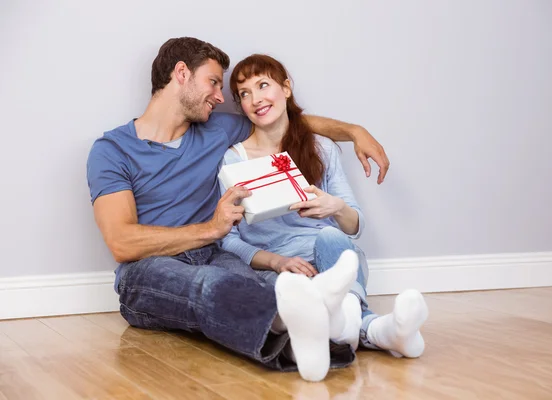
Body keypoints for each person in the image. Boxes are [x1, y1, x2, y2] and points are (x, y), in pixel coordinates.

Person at [86, 37, 390, 382]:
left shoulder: (217, 128)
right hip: (150, 268)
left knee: (264, 284)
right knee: (209, 283)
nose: (220, 96)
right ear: (182, 73)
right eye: (214, 82)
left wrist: (354, 132)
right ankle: (308, 330)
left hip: (218, 256)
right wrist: (210, 229)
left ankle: (326, 331)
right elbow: (122, 242)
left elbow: (283, 118)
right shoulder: (112, 150)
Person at [221, 54, 429, 365]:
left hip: (329, 256)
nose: (256, 99)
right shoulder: (234, 161)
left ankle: (346, 319)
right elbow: (228, 239)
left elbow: (354, 226)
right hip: (279, 266)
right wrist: (277, 262)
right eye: (245, 94)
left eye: (263, 85)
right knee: (295, 290)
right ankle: (376, 329)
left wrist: (335, 206)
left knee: (333, 239)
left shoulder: (323, 148)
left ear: (286, 88)